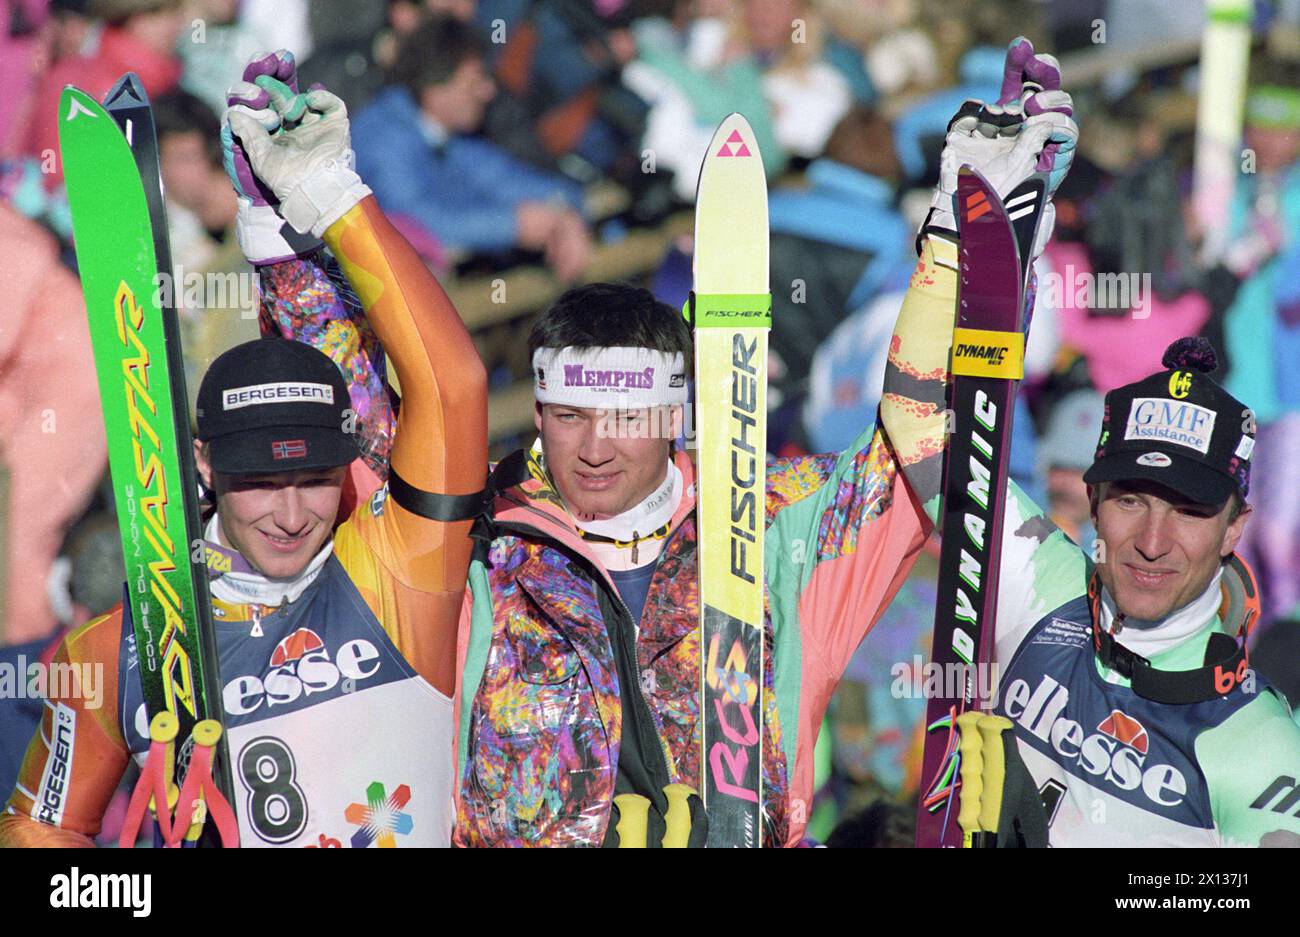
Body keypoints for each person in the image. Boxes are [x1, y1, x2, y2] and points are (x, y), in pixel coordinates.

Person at [0, 52, 487, 847]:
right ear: (204, 466)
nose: (292, 513)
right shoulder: (120, 648)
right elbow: (35, 831)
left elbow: (453, 387)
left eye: (315, 479)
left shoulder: (398, 568)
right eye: (259, 482)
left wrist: (330, 192)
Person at [880, 38, 1300, 846]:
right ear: (1096, 500)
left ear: (1233, 527)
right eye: (1131, 499)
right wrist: (968, 227)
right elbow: (916, 415)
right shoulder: (1038, 586)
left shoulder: (1260, 747)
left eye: (1187, 509)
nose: (1150, 540)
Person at [352, 13, 592, 282]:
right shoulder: (383, 139)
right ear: (436, 88)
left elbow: (510, 180)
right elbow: (413, 225)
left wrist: (565, 212)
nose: (488, 91)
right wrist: (514, 226)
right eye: (476, 80)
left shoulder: (448, 137)